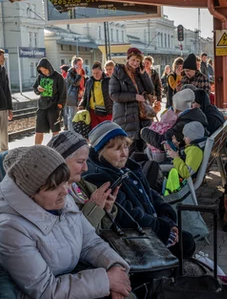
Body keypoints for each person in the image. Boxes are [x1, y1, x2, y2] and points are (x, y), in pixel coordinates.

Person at [0, 145, 131, 298]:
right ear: (31, 193)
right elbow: (45, 290)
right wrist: (107, 281)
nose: (65, 191)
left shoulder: (60, 199)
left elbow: (89, 241)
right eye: (54, 187)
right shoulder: (11, 229)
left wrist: (115, 267)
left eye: (65, 182)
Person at [84, 121, 196, 259]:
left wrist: (167, 219)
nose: (124, 153)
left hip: (150, 226)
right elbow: (127, 215)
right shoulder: (102, 178)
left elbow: (150, 194)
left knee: (185, 240)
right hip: (134, 237)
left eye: (126, 147)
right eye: (117, 149)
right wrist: (161, 229)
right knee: (186, 243)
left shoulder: (127, 167)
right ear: (101, 151)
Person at [47, 131, 118, 232]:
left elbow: (99, 231)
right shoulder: (51, 197)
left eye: (86, 161)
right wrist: (95, 207)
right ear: (61, 161)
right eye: (80, 162)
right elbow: (72, 236)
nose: (86, 168)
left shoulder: (80, 185)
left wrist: (106, 209)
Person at [109, 47, 154, 153]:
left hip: (142, 118)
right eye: (133, 60)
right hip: (126, 117)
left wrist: (144, 75)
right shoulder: (118, 73)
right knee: (129, 151)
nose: (135, 63)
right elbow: (113, 94)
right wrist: (134, 97)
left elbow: (150, 89)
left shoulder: (140, 73)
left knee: (142, 150)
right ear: (128, 59)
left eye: (138, 61)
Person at [141, 88, 208, 150]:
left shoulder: (184, 123)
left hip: (179, 156)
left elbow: (163, 142)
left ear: (176, 108)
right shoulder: (194, 115)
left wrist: (143, 132)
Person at [32, 57, 66, 145]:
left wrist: (59, 106)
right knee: (39, 130)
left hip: (53, 107)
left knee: (55, 131)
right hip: (42, 107)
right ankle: (37, 149)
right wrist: (38, 90)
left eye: (45, 70)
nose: (44, 72)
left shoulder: (58, 77)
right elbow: (35, 87)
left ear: (49, 68)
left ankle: (54, 150)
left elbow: (63, 93)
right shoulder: (40, 77)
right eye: (42, 71)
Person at [78, 61, 113, 129]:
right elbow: (85, 95)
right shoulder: (89, 81)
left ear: (101, 71)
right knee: (94, 131)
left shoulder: (108, 81)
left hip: (106, 111)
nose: (95, 75)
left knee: (106, 131)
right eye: (93, 73)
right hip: (92, 111)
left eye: (97, 73)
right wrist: (81, 105)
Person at [66, 56, 86, 131]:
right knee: (72, 117)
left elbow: (84, 84)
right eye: (79, 64)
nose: (81, 66)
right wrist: (78, 74)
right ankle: (71, 132)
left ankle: (79, 132)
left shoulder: (83, 72)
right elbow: (75, 83)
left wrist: (83, 90)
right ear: (74, 65)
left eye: (81, 64)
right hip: (73, 98)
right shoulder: (70, 73)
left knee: (80, 117)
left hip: (81, 97)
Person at [0, 49, 12, 153]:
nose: (4, 58)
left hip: (2, 106)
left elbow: (7, 90)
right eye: (2, 56)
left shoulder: (3, 70)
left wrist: (10, 108)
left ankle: (4, 155)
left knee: (3, 133)